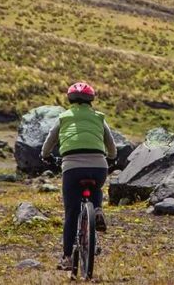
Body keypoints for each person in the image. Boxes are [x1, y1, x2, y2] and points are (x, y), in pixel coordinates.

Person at [41, 82, 117, 271]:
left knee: (72, 213)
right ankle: (97, 209)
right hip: (98, 165)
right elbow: (111, 145)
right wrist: (112, 158)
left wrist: (46, 156)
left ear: (70, 99)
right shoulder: (99, 118)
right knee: (96, 188)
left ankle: (67, 257)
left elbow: (49, 143)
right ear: (91, 100)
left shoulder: (63, 118)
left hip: (72, 167)